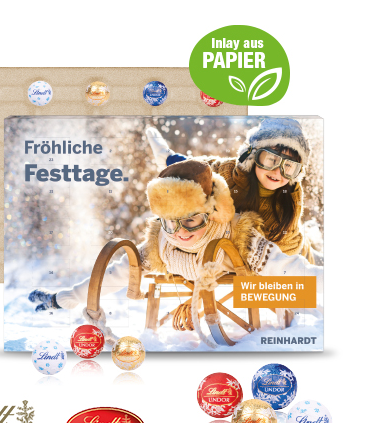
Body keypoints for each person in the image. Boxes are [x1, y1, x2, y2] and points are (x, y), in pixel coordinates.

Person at [29, 159, 322, 313]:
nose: (180, 232)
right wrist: (64, 298)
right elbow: (118, 274)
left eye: (191, 220)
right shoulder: (161, 242)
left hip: (252, 264)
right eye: (171, 222)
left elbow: (291, 270)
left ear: (211, 211)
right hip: (194, 275)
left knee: (280, 287)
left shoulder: (239, 237)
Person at [146, 118, 317, 261]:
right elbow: (200, 170)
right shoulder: (229, 174)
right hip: (234, 245)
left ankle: (316, 253)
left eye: (288, 167)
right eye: (270, 160)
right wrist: (169, 159)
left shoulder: (290, 198)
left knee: (310, 258)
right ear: (253, 156)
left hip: (289, 252)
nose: (277, 172)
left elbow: (286, 246)